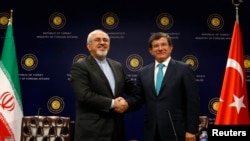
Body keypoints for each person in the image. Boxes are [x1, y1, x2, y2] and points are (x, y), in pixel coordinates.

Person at [70, 29, 136, 141]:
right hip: (92, 132)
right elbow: (84, 95)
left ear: (109, 45)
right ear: (89, 46)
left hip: (117, 131)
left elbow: (133, 89)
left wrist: (127, 103)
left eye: (105, 40)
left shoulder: (117, 66)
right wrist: (113, 103)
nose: (102, 42)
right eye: (97, 40)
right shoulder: (80, 67)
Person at [134, 32, 200, 141]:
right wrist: (125, 104)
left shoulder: (184, 69)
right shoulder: (143, 72)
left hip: (177, 130)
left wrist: (191, 130)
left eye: (163, 45)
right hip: (152, 131)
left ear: (170, 48)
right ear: (150, 51)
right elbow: (138, 98)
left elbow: (193, 102)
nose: (160, 48)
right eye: (156, 46)